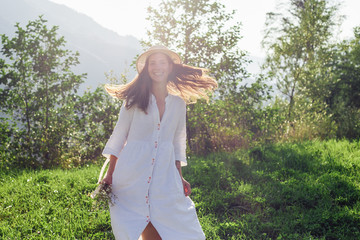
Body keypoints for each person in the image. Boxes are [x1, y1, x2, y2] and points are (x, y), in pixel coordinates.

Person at [101, 45, 217, 240]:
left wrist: (179, 177)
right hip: (132, 176)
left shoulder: (178, 104)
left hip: (165, 177)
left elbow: (178, 143)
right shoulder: (133, 100)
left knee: (180, 227)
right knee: (147, 233)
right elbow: (118, 137)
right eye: (152, 63)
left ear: (170, 67)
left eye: (162, 62)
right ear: (146, 68)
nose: (157, 67)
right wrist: (109, 174)